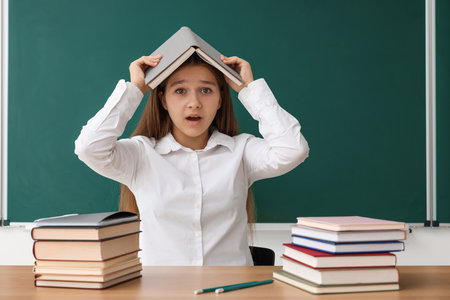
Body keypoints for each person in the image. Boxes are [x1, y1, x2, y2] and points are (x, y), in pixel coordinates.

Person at [74, 52, 309, 266]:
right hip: (160, 291)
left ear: (219, 100)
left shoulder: (241, 151)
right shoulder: (141, 154)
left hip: (232, 290)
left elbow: (293, 150)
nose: (194, 102)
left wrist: (250, 89)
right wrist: (136, 88)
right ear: (163, 100)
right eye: (180, 91)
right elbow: (89, 148)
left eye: (206, 90)